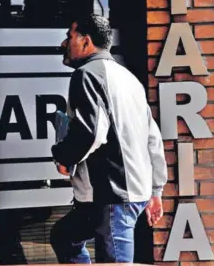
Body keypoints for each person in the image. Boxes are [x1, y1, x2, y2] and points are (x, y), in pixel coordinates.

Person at [50, 14, 168, 263]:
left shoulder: (87, 74)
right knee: (64, 236)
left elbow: (91, 132)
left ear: (86, 41)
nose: (63, 44)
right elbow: (152, 137)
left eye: (69, 37)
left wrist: (62, 156)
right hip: (125, 193)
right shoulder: (129, 79)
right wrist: (156, 190)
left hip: (113, 196)